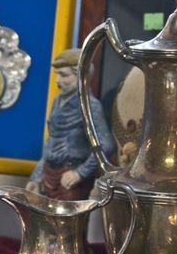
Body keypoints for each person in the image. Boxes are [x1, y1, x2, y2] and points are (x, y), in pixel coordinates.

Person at [28, 48, 115, 201]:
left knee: (68, 222)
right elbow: (52, 141)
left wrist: (80, 173)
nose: (57, 81)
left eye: (64, 75)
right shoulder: (57, 101)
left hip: (70, 179)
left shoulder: (90, 106)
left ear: (81, 75)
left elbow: (106, 144)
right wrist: (37, 176)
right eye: (57, 75)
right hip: (49, 175)